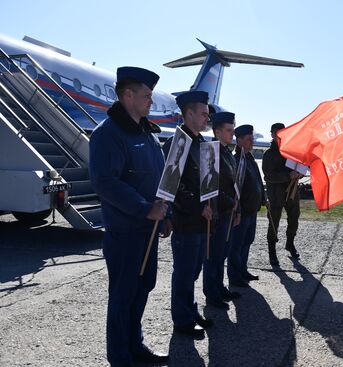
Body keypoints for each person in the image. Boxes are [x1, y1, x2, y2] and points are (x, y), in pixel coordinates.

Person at [89, 66, 169, 366]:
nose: (151, 101)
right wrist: (145, 208)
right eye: (146, 95)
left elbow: (160, 181)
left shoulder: (147, 134)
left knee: (142, 290)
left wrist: (165, 215)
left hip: (147, 230)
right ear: (127, 95)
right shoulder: (108, 134)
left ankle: (135, 346)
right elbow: (105, 182)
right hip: (125, 233)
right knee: (123, 295)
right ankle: (120, 356)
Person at [163, 90, 214, 339]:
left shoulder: (203, 144)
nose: (207, 118)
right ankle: (181, 320)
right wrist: (198, 207)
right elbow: (175, 186)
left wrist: (211, 203)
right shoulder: (177, 143)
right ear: (189, 114)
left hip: (202, 219)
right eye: (203, 113)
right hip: (186, 221)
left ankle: (191, 311)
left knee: (193, 271)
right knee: (183, 272)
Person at [203, 111, 241, 309]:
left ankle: (219, 286)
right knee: (213, 255)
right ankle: (211, 293)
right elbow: (211, 186)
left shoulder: (226, 152)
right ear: (217, 131)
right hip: (217, 212)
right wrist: (229, 202)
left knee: (222, 254)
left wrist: (236, 208)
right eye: (228, 130)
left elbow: (232, 183)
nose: (232, 133)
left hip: (228, 211)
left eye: (232, 129)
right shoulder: (210, 151)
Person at [228, 124, 265, 285]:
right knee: (236, 245)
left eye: (252, 138)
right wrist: (238, 210)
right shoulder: (237, 160)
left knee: (247, 242)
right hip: (241, 211)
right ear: (239, 140)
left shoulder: (249, 159)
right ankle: (235, 276)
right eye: (249, 139)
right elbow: (235, 189)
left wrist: (263, 198)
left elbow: (258, 180)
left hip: (252, 210)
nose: (252, 142)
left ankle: (242, 270)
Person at [262, 123, 302, 266]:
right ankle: (272, 252)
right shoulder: (268, 154)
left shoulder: (291, 151)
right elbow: (269, 176)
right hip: (275, 194)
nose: (279, 136)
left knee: (294, 218)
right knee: (274, 222)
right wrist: (288, 175)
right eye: (276, 133)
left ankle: (290, 244)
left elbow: (299, 167)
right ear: (272, 134)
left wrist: (299, 173)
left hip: (292, 192)